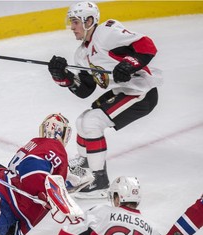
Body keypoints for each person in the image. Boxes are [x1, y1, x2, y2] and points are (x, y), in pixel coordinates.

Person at [48, 2, 162, 199]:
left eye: (75, 22)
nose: (72, 27)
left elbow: (147, 46)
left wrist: (129, 64)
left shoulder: (106, 32)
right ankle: (86, 163)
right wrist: (62, 76)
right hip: (125, 90)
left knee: (93, 122)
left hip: (142, 91)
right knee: (83, 120)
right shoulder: (81, 54)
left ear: (89, 20)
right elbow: (85, 89)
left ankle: (99, 182)